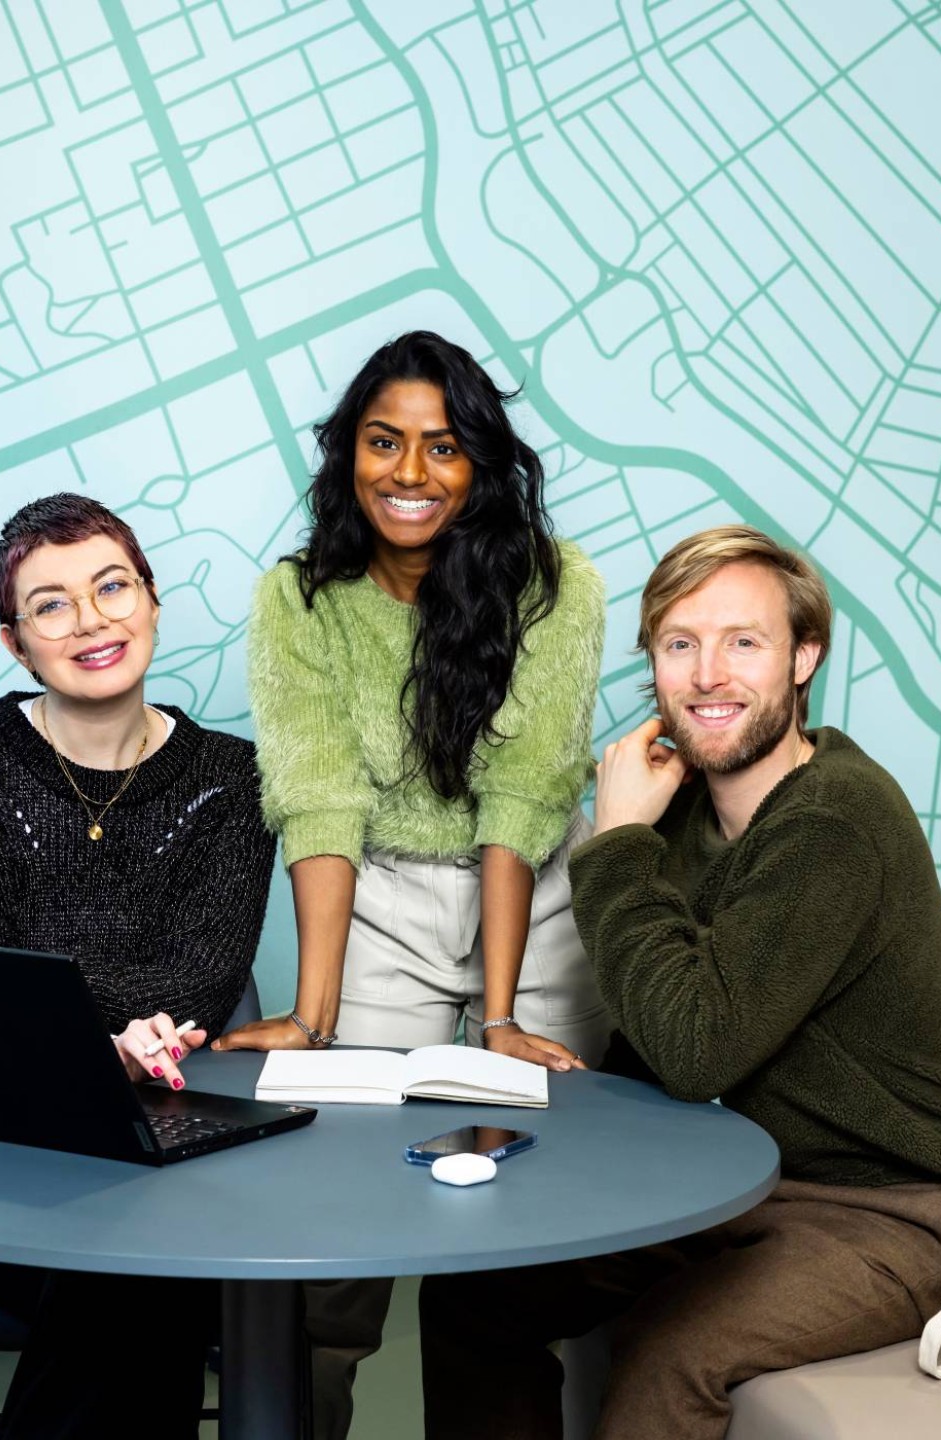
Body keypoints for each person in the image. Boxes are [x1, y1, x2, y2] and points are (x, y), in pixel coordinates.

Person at [419, 525, 941, 1440]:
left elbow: (697, 1050)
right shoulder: (686, 818)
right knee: (477, 1292)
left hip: (914, 1215)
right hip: (746, 1182)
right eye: (680, 645)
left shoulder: (835, 819)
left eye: (743, 642)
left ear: (803, 658)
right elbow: (652, 1040)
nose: (708, 674)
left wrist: (616, 841)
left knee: (672, 1353)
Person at [213, 330, 612, 1437]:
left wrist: (496, 1013)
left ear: (481, 463)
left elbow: (525, 800)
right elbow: (322, 799)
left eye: (443, 448)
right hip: (377, 897)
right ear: (349, 454)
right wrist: (315, 1012)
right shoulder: (296, 600)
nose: (411, 473)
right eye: (385, 443)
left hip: (529, 898)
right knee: (342, 1209)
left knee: (528, 1215)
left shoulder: (559, 586)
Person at [0, 492, 275, 1438]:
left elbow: (197, 985)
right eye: (51, 604)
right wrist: (103, 1036)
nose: (91, 620)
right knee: (153, 1271)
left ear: (151, 601)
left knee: (143, 1256)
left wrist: (35, 1004)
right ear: (16, 642)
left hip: (148, 1143)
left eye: (112, 587)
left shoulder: (235, 777)